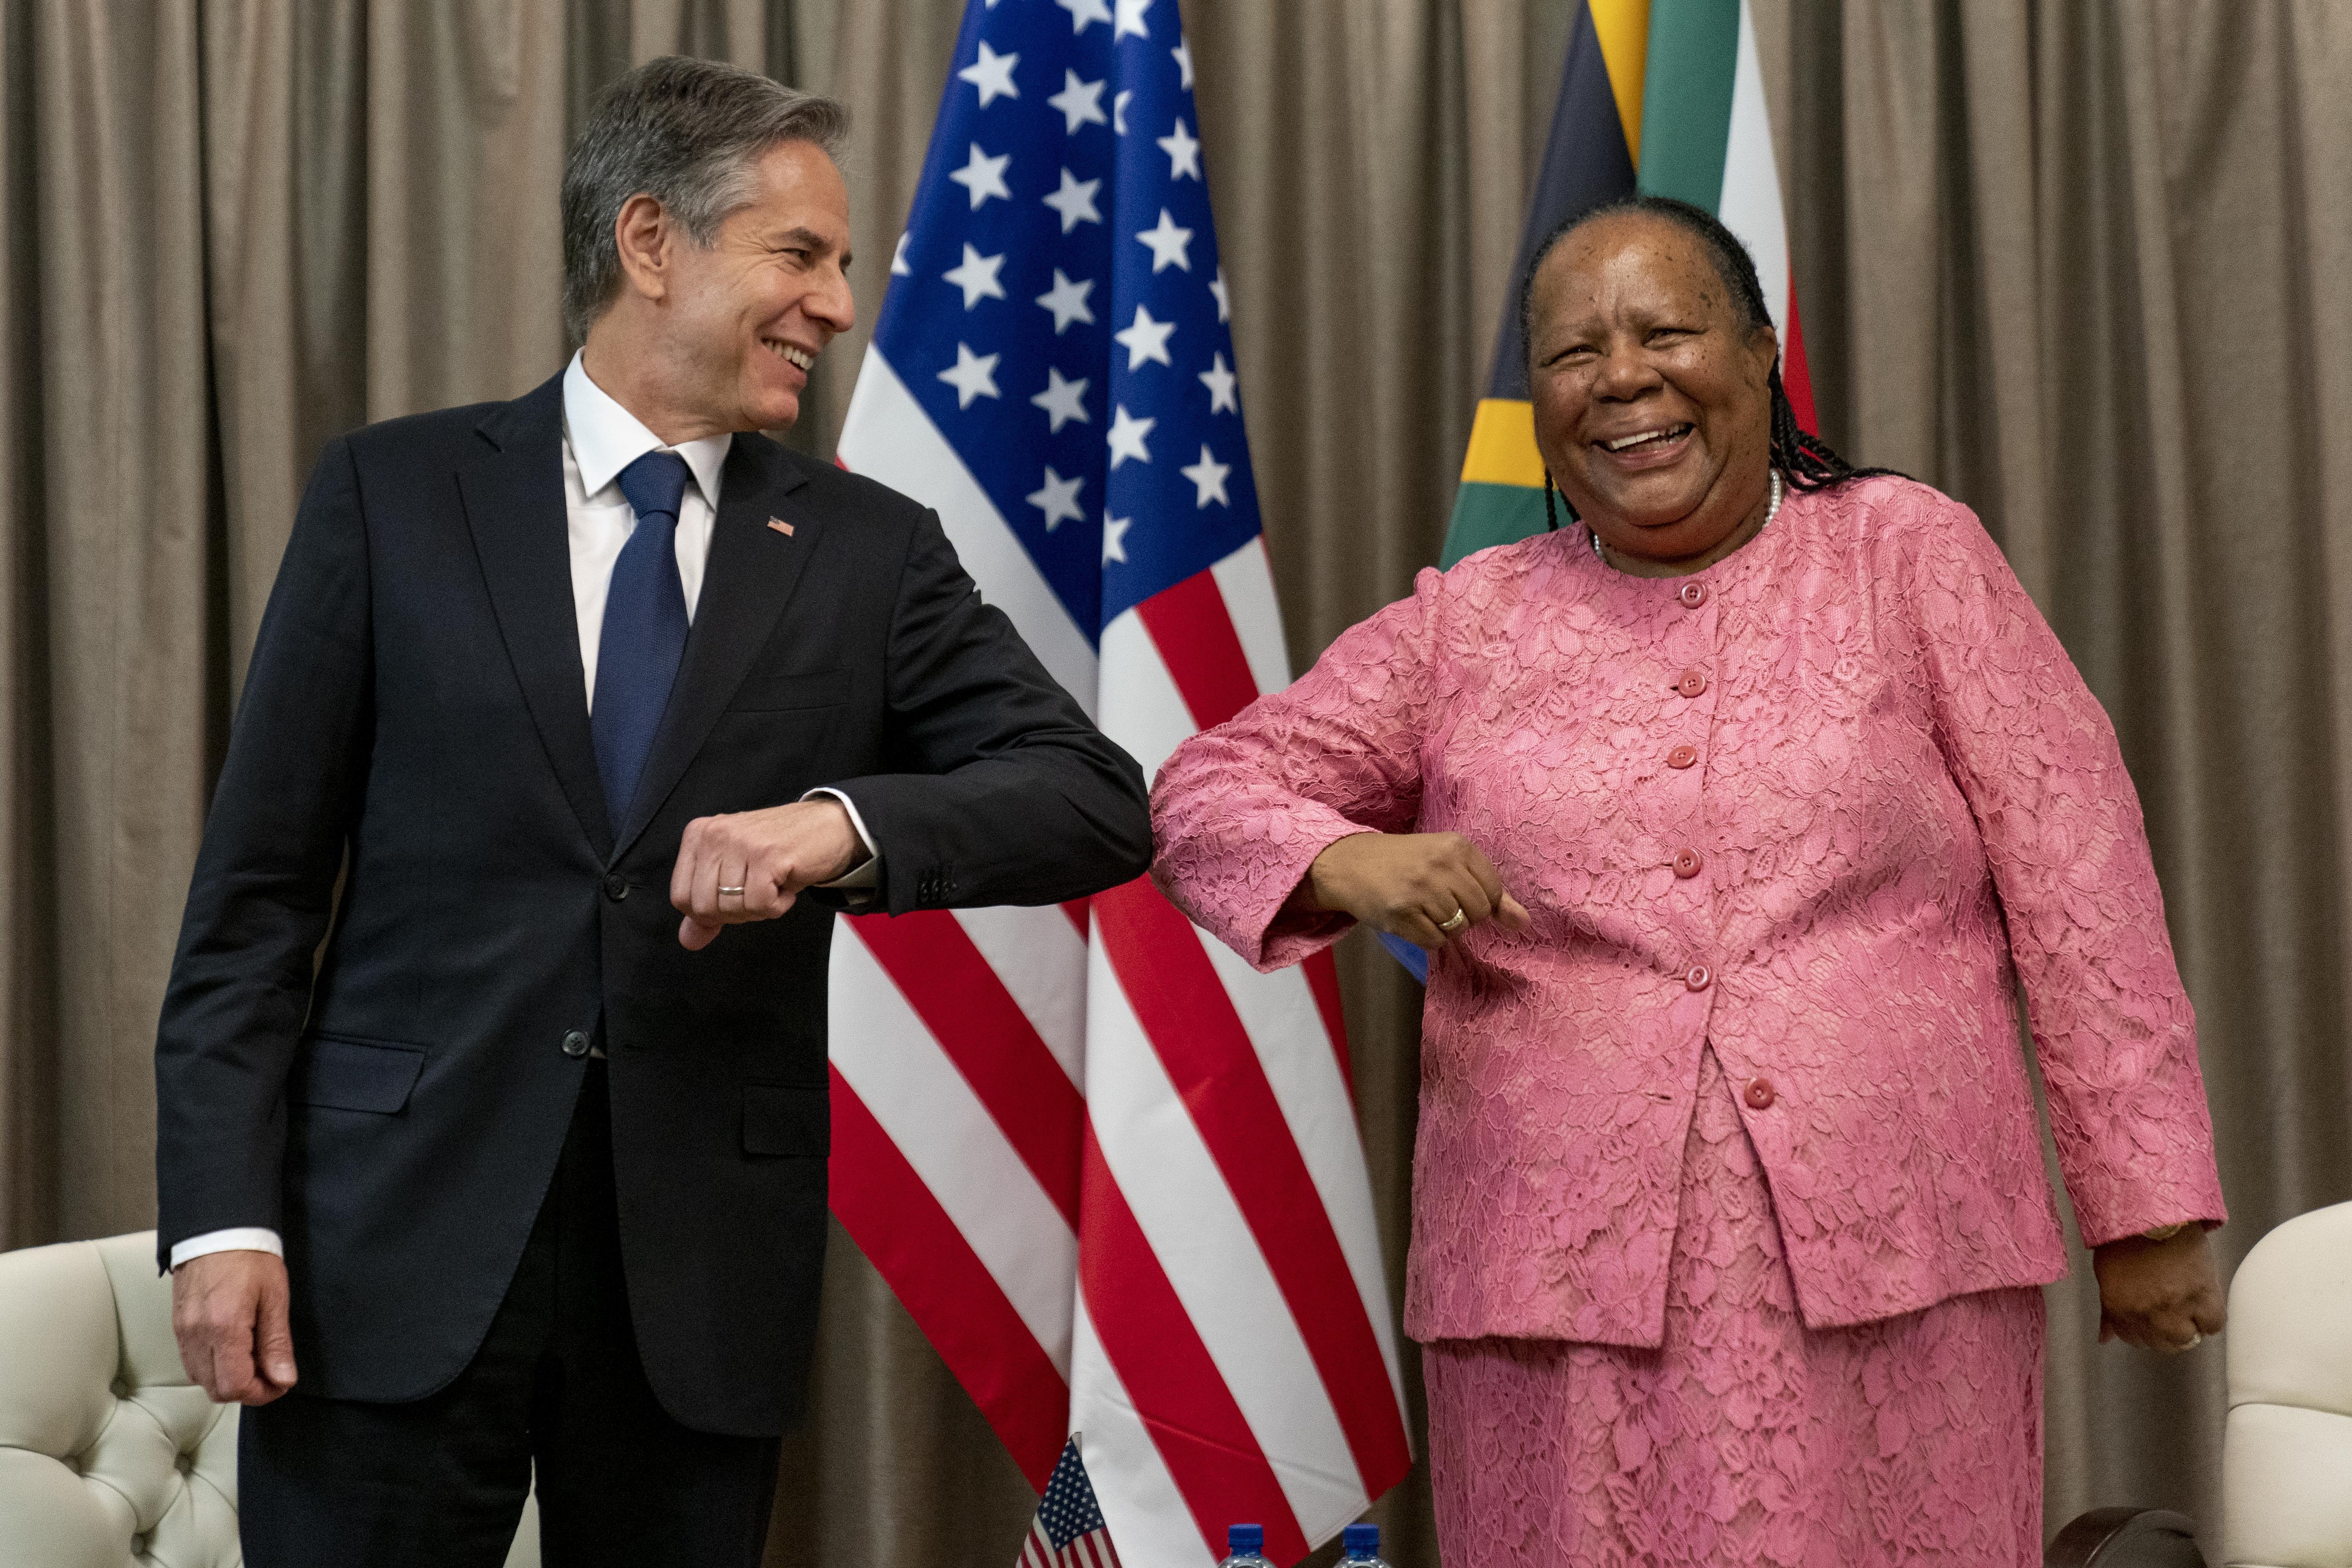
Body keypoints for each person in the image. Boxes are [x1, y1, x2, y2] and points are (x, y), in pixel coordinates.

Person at [154, 57, 1149, 1568]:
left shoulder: (867, 551)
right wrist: (225, 1219)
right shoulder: (392, 495)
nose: (836, 305)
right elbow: (255, 901)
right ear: (649, 243)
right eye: (800, 254)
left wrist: (836, 826)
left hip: (696, 1286)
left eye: (842, 266)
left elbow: (1096, 800)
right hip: (390, 1257)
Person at [1149, 196, 2226, 1567]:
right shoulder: (1469, 619)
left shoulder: (1906, 553)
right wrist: (1340, 857)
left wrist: (2146, 1205)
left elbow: (2079, 873)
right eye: (1572, 352)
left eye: (1665, 332)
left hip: (1896, 1265)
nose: (1620, 378)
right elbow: (1198, 789)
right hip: (1554, 1294)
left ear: (1759, 352)